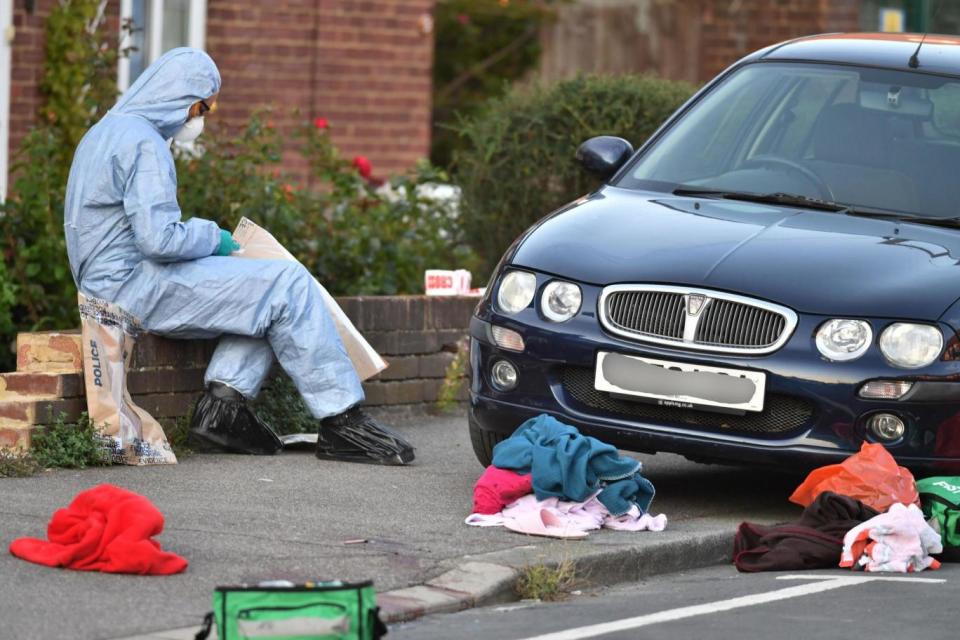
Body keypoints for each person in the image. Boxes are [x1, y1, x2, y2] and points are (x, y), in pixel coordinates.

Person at [63, 47, 414, 465]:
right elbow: (159, 239)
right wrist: (214, 236)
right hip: (133, 286)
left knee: (259, 288)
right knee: (287, 283)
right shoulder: (144, 143)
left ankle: (222, 409)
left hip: (108, 283)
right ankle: (342, 420)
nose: (200, 118)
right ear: (180, 97)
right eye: (201, 107)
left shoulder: (104, 132)